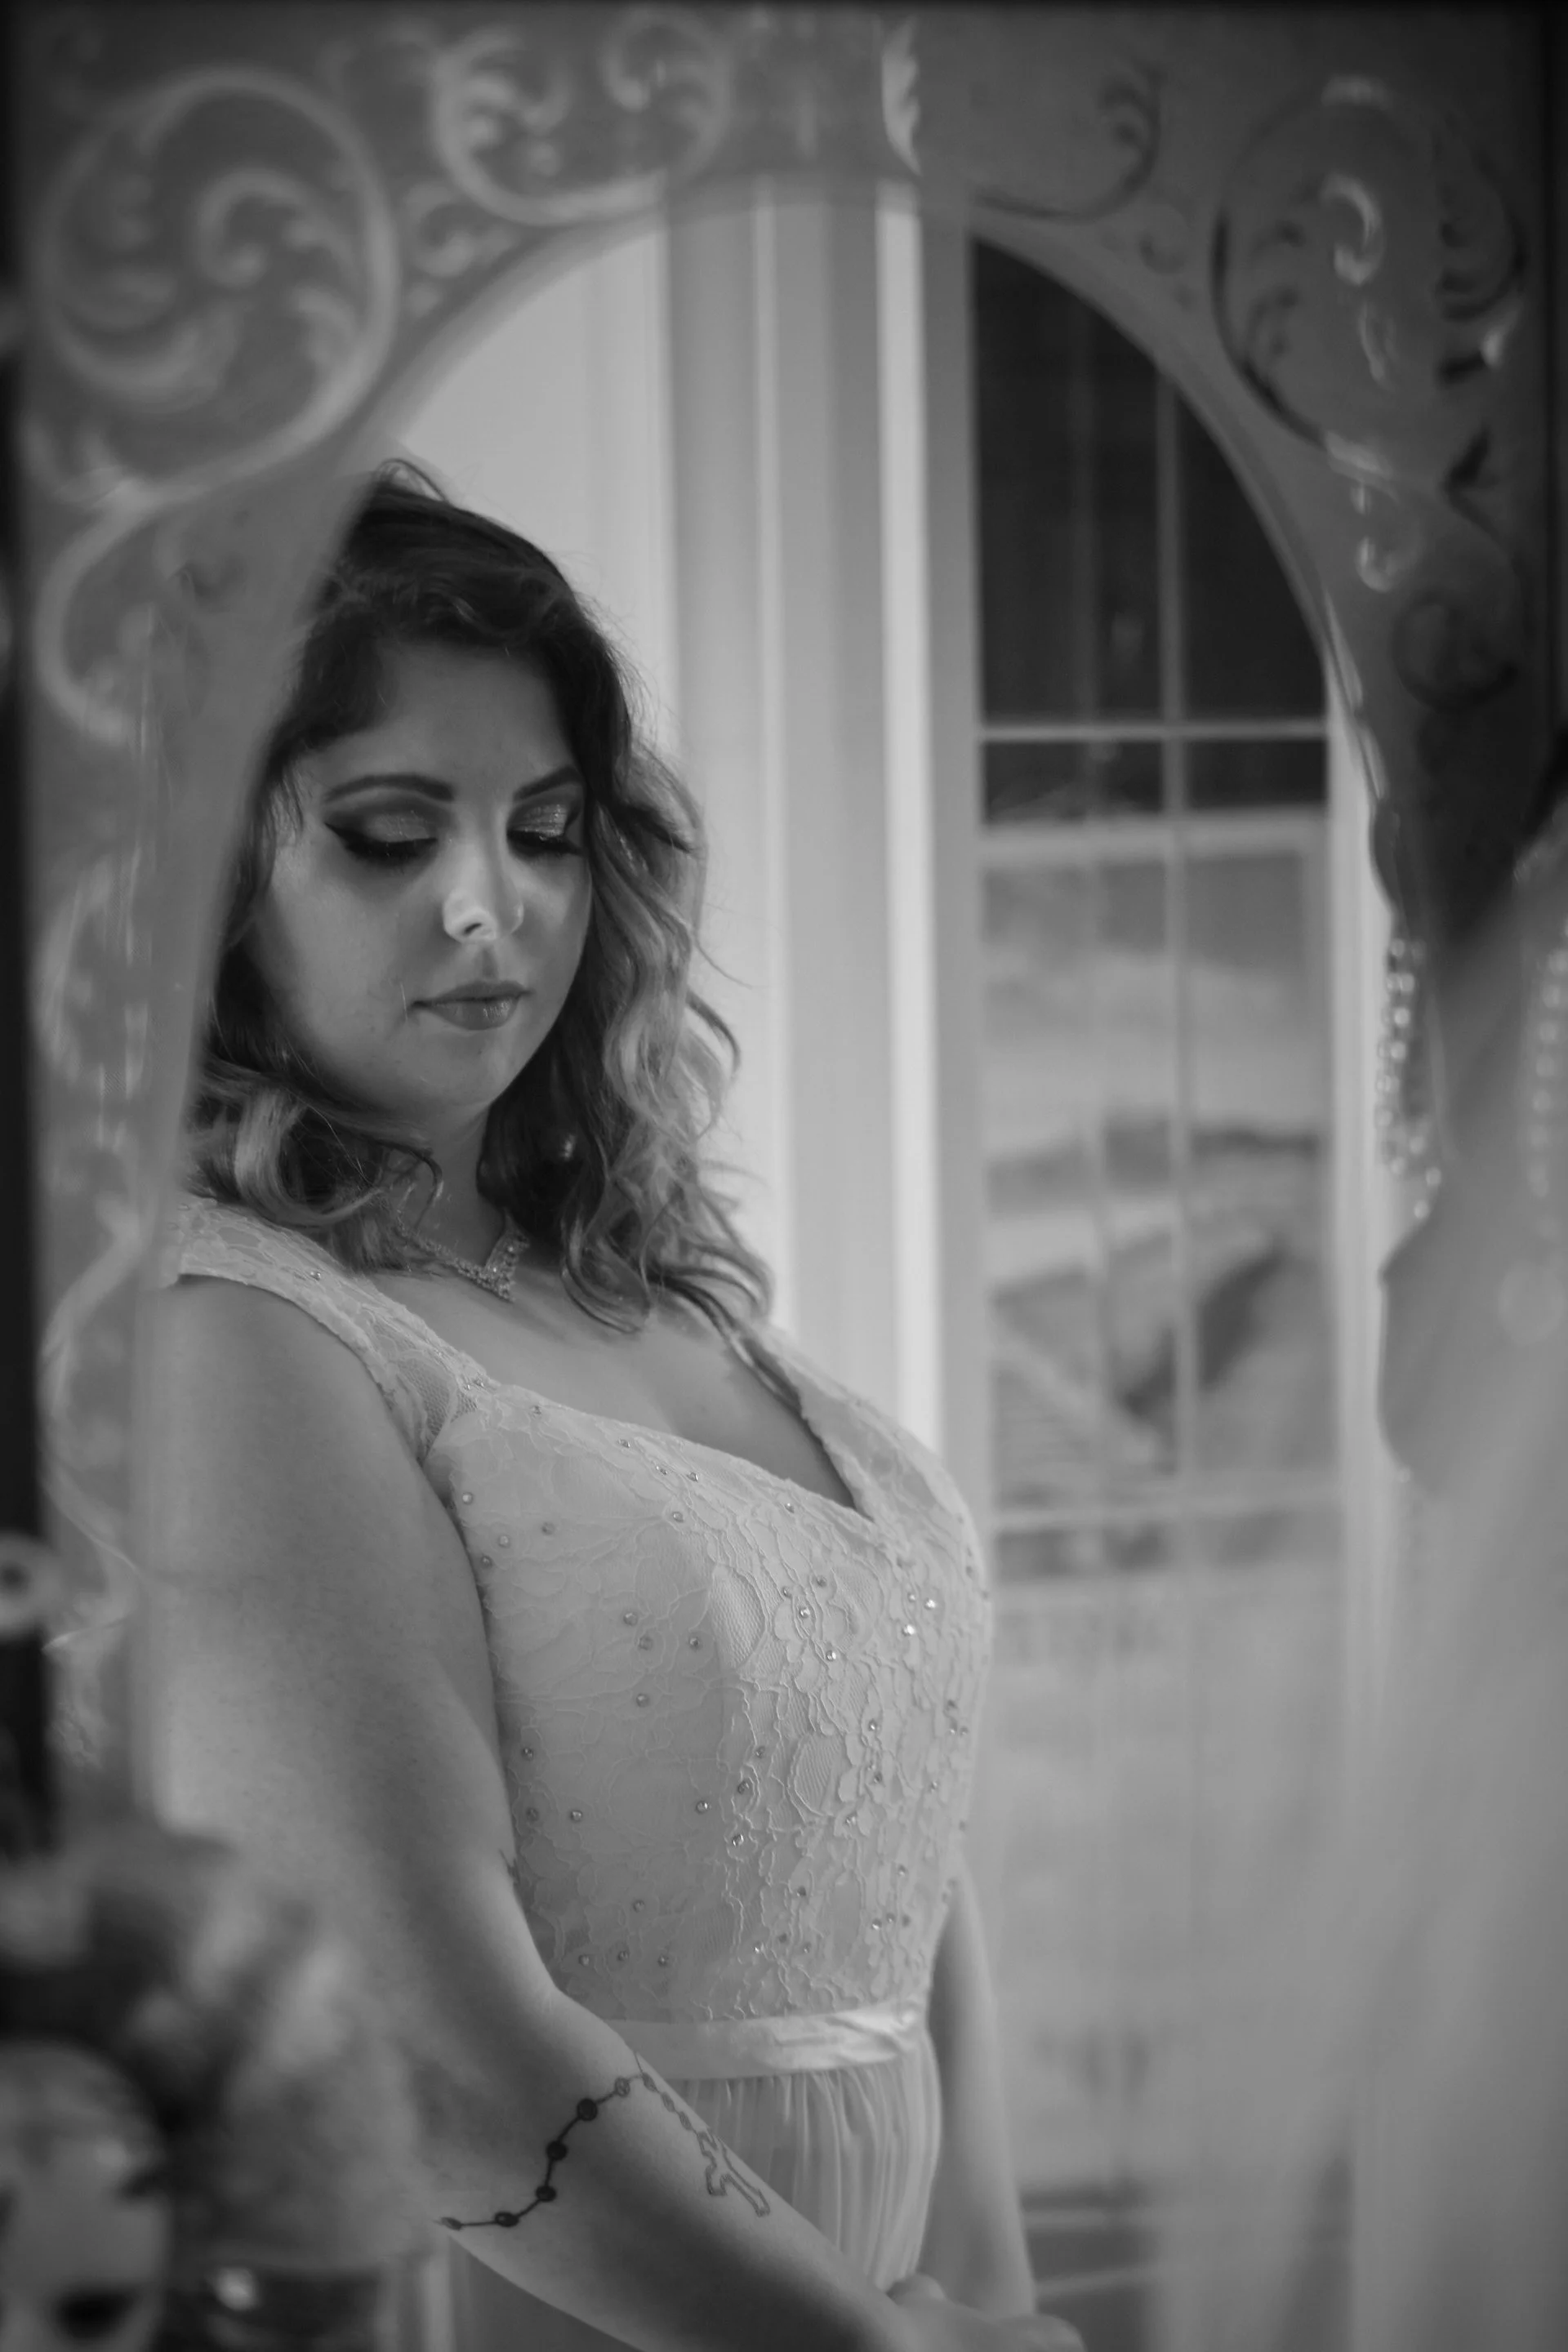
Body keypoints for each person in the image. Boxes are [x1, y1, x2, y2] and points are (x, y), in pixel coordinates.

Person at [141, 468, 1080, 2352]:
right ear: (209, 882)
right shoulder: (229, 1331)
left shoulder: (639, 1284)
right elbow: (422, 2033)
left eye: (546, 830)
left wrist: (991, 2301)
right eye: (391, 835)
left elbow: (895, 1869)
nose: (493, 909)